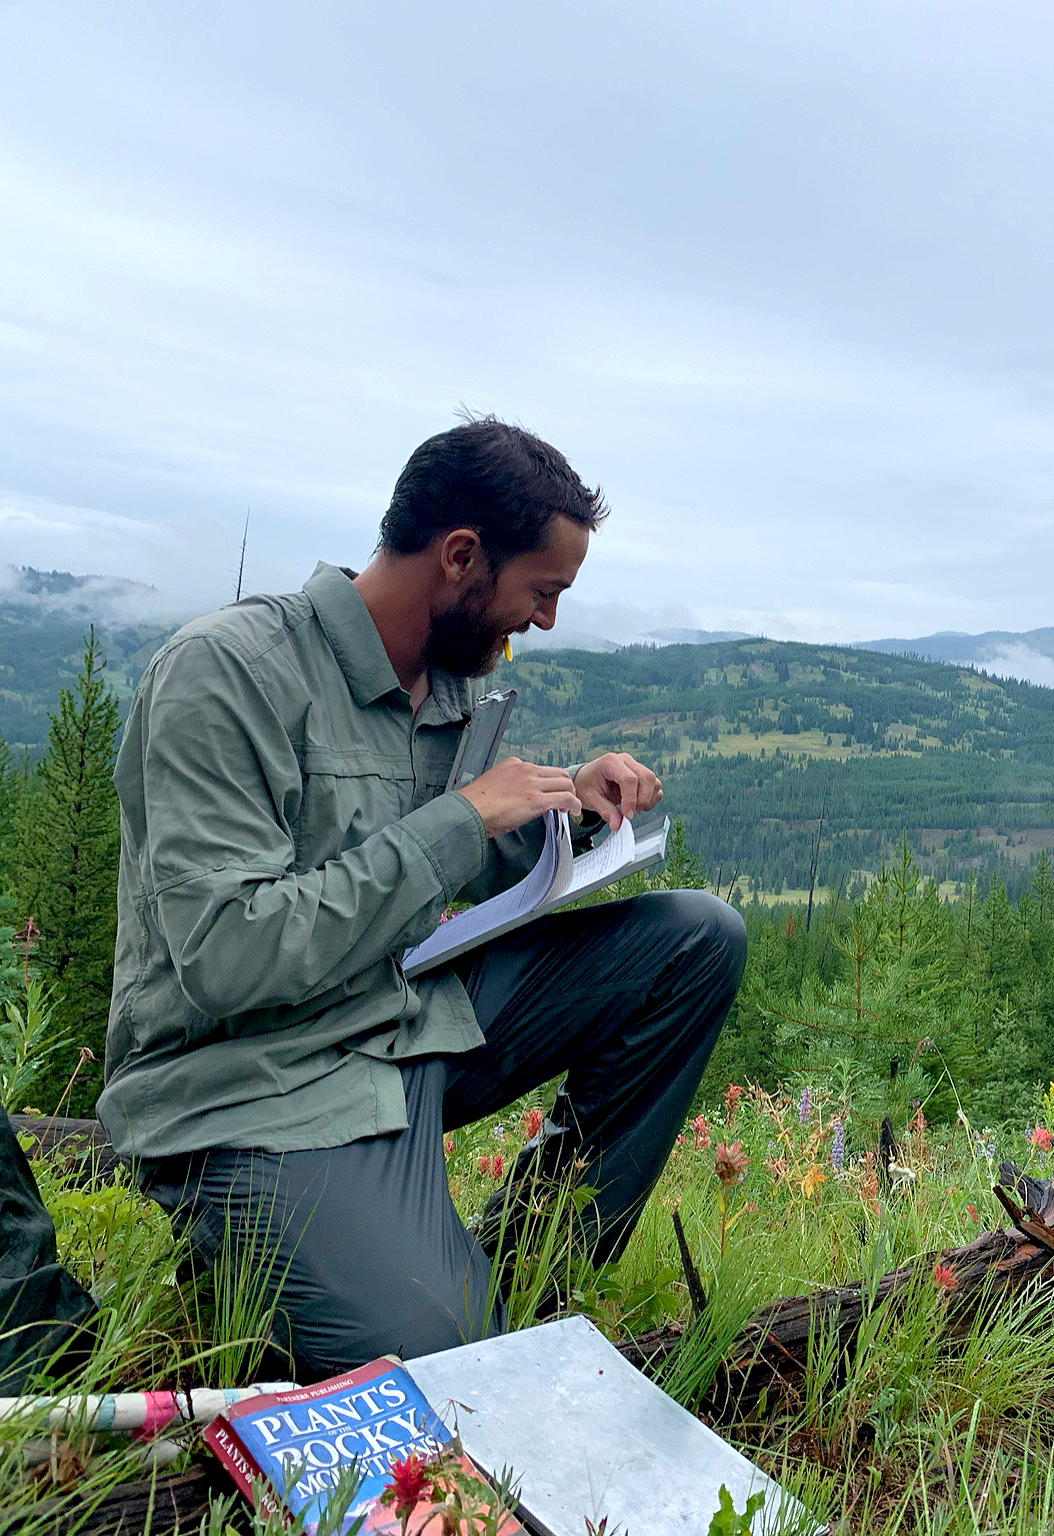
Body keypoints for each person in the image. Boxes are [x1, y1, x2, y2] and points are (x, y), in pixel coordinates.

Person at [98, 417, 744, 1378]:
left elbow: (444, 859)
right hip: (254, 1081)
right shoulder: (226, 674)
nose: (547, 622)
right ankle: (396, 1297)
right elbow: (227, 954)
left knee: (695, 939)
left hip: (401, 1015)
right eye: (543, 592)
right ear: (460, 557)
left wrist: (569, 806)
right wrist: (461, 822)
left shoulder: (446, 686)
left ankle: (528, 1287)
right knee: (435, 1364)